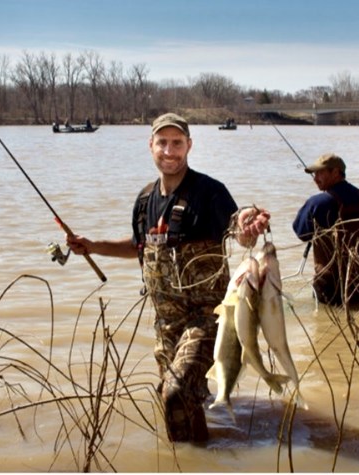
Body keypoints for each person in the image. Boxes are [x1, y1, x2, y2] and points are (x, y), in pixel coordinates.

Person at [66, 112, 269, 442]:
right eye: (162, 143)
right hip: (166, 325)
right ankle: (200, 459)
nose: (169, 151)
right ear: (151, 146)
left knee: (174, 392)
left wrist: (249, 225)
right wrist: (92, 246)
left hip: (208, 319)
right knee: (178, 401)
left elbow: (239, 229)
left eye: (177, 143)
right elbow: (137, 246)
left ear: (189, 146)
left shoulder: (210, 192)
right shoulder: (145, 199)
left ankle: (196, 456)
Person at [292, 153, 359, 309]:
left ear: (336, 173)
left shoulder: (317, 203)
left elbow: (301, 232)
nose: (315, 178)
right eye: (314, 173)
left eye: (320, 172)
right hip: (358, 281)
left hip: (327, 284)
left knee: (324, 327)